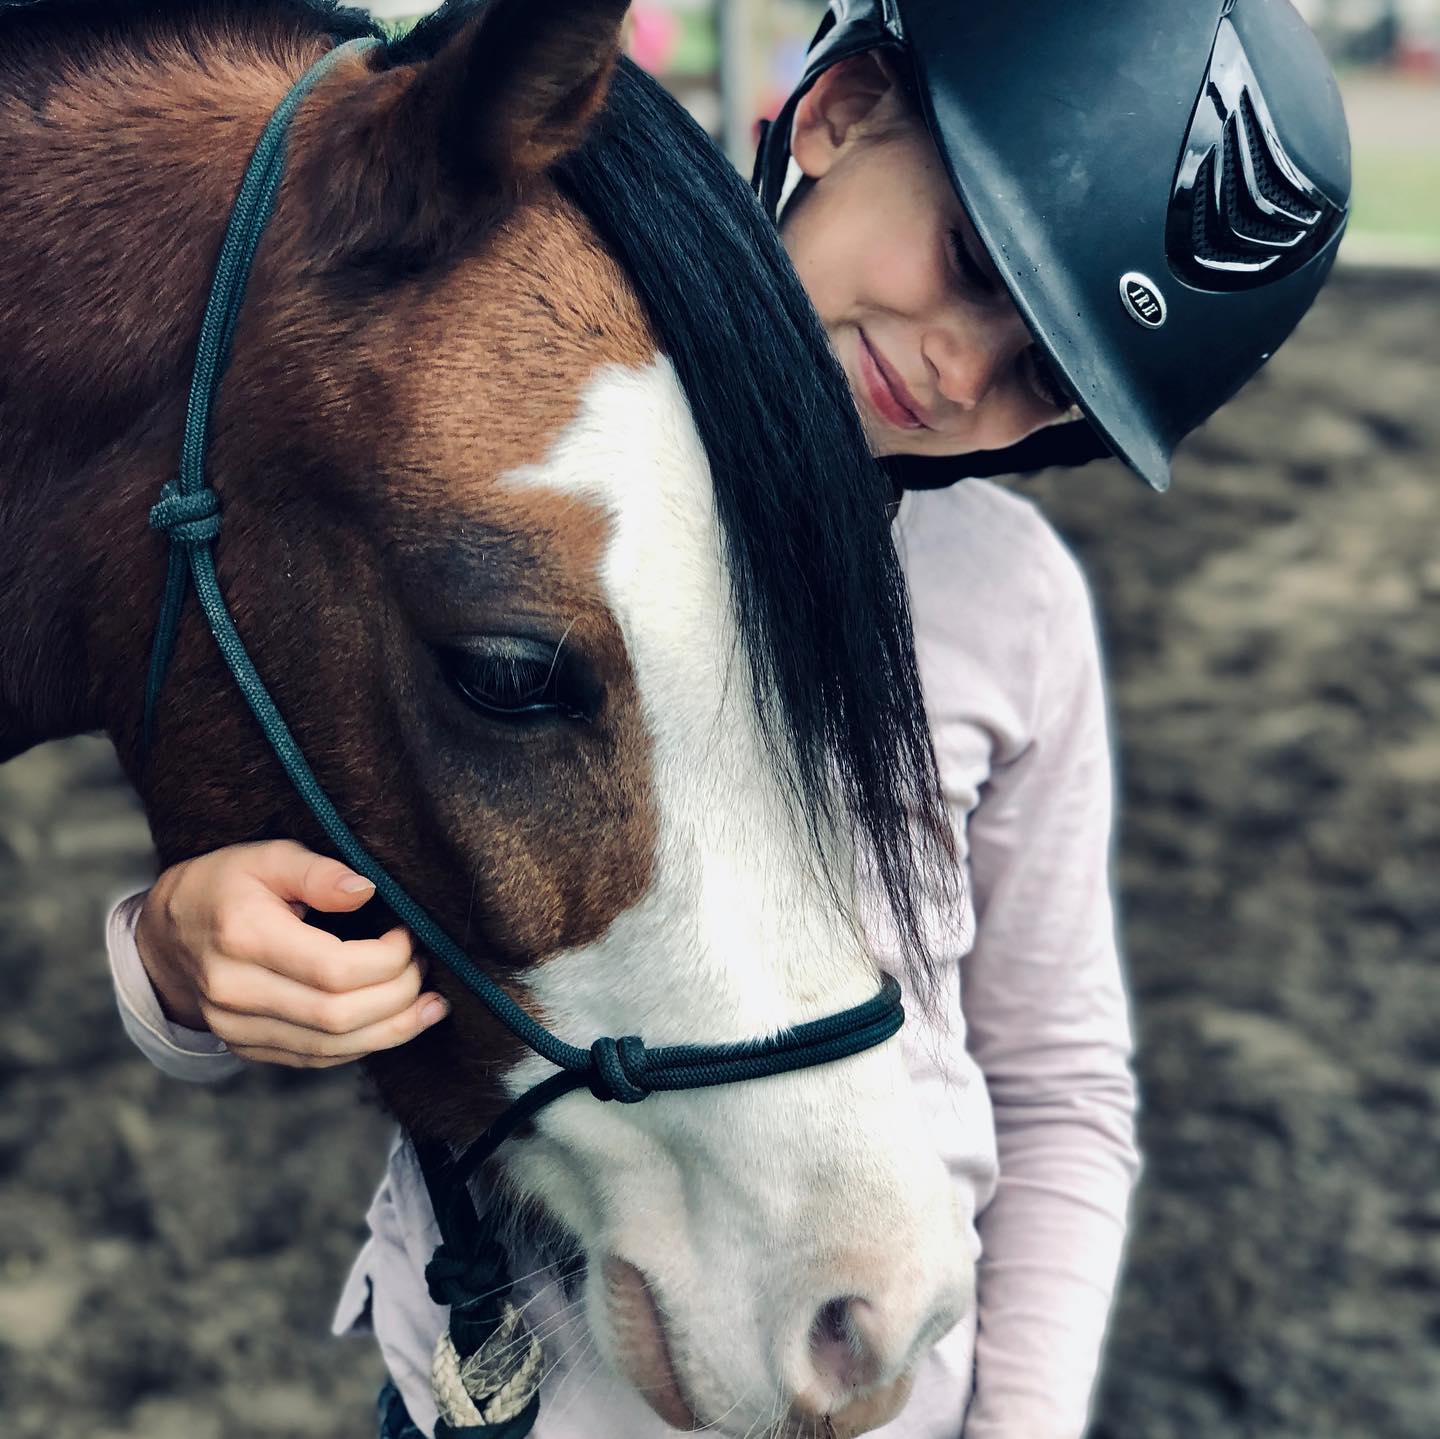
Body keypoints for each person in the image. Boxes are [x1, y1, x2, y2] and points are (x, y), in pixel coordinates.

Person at [106, 1, 1351, 1436]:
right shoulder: (524, 494)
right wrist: (172, 960)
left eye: (1042, 377)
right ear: (839, 112)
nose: (962, 367)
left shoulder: (1009, 606)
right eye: (970, 261)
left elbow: (1061, 1080)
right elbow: (345, 809)